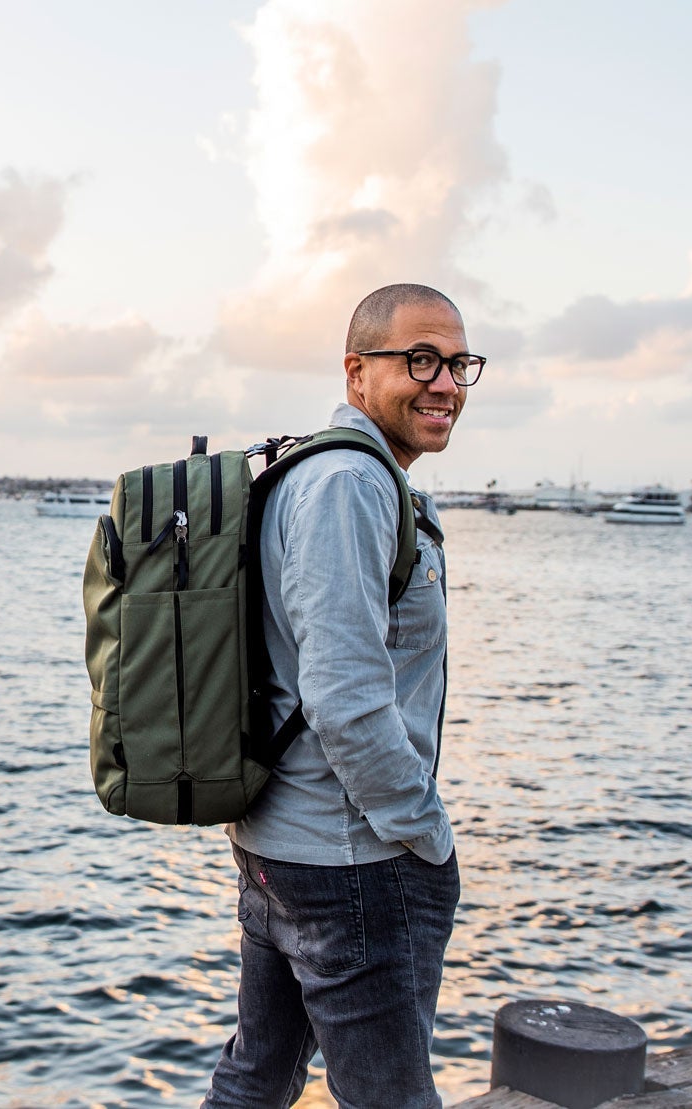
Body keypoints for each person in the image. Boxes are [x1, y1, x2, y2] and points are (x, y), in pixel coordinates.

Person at [204, 283, 482, 1108]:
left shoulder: (321, 474)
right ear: (358, 372)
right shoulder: (350, 485)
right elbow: (345, 696)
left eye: (458, 363)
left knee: (256, 1079)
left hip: (284, 850)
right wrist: (423, 830)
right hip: (350, 862)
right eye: (420, 359)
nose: (445, 383)